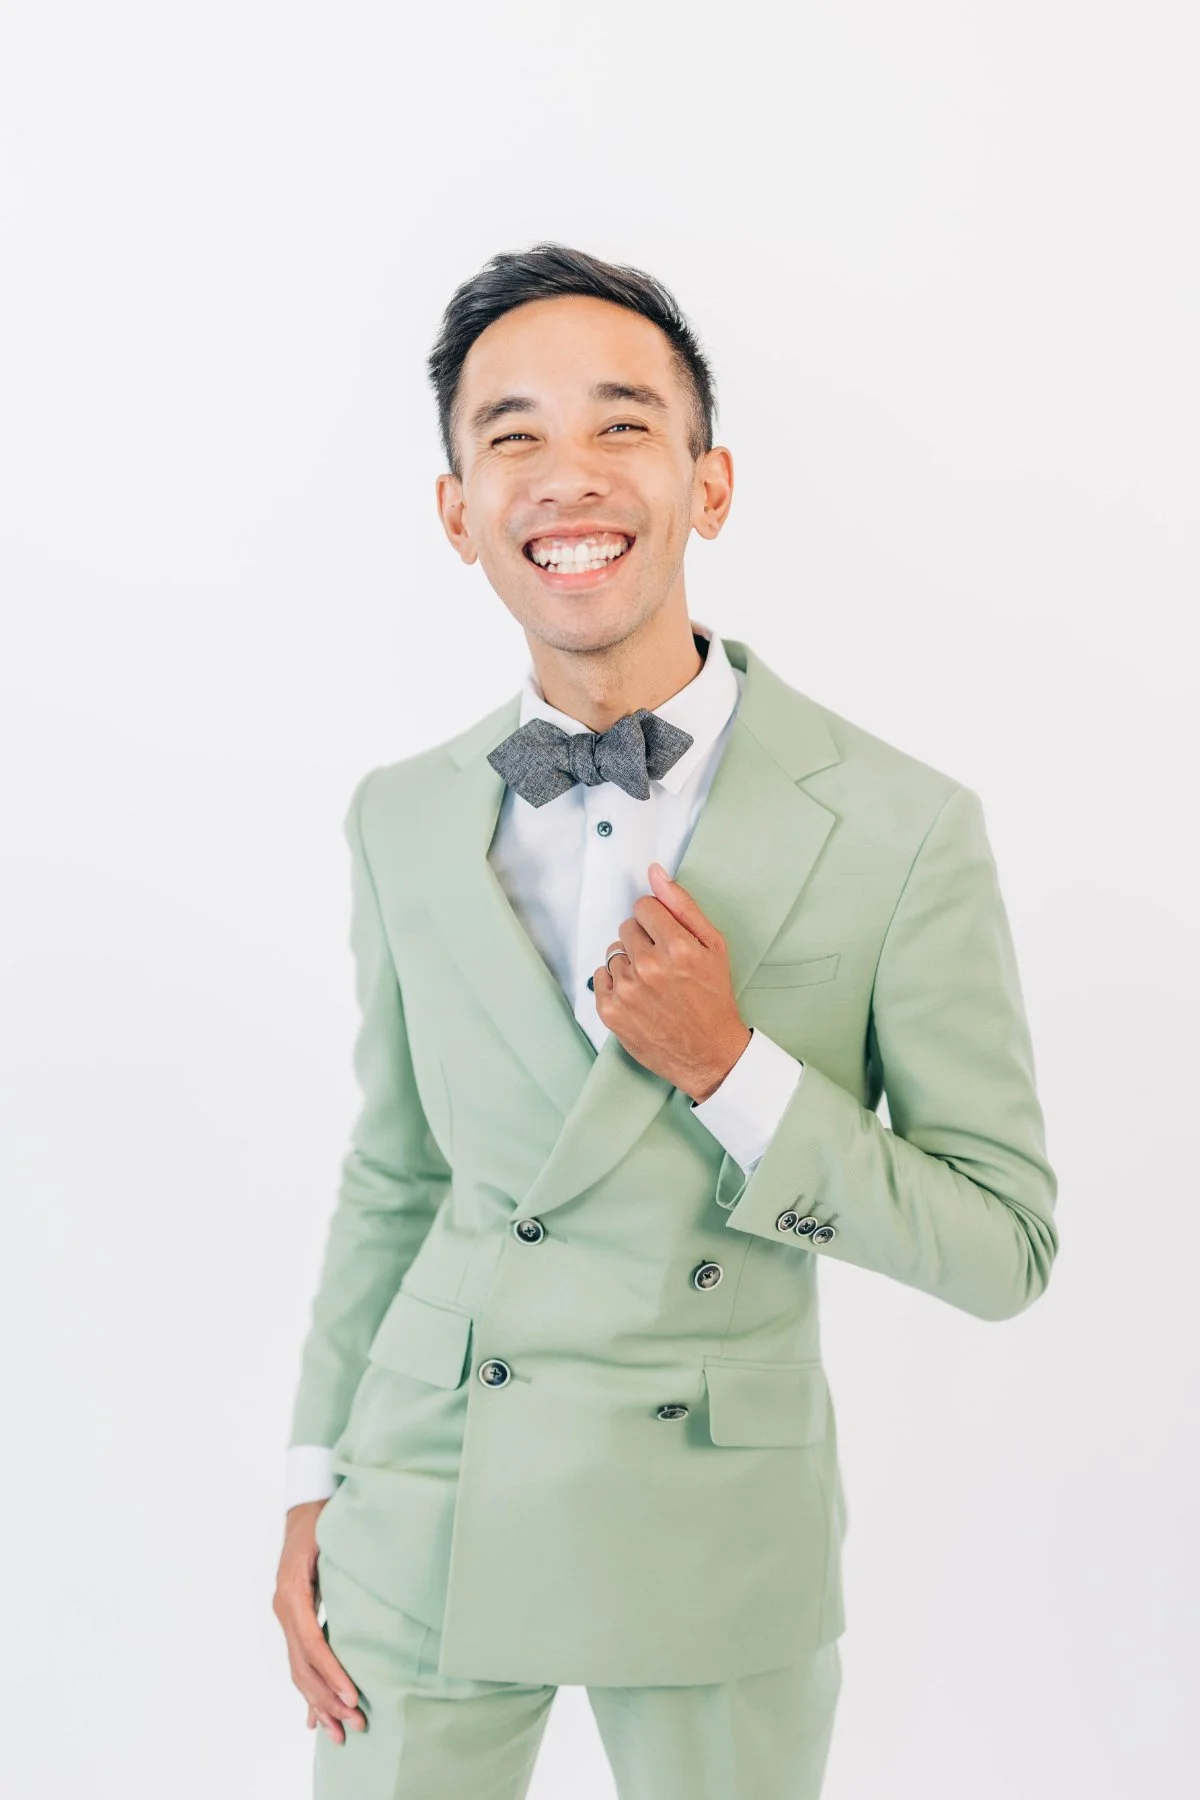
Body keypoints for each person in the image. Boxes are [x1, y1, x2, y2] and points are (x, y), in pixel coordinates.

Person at [272, 242, 1058, 1800]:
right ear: (458, 514)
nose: (568, 475)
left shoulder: (901, 824)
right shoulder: (400, 817)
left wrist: (732, 1069)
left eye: (622, 424)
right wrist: (314, 1479)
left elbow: (1007, 1248)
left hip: (715, 1518)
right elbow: (396, 1177)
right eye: (512, 437)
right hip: (426, 1495)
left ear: (709, 486)